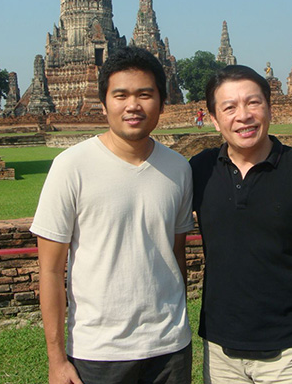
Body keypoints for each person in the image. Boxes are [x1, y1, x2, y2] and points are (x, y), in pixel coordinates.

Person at [31, 47, 194, 384]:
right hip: (98, 349)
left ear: (162, 103)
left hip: (170, 345)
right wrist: (55, 359)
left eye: (145, 95)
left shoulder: (179, 168)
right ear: (103, 103)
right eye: (120, 95)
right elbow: (49, 270)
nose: (133, 105)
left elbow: (176, 252)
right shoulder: (70, 166)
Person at [190, 65, 292, 383]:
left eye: (253, 103)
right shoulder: (200, 170)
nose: (243, 116)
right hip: (220, 347)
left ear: (269, 107)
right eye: (229, 107)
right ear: (214, 119)